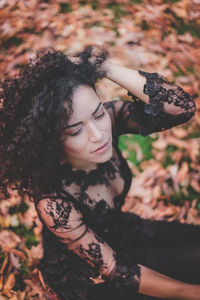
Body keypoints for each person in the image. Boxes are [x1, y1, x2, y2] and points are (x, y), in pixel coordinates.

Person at [1, 46, 200, 300]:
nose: (98, 135)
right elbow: (119, 272)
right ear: (52, 140)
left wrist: (105, 68)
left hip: (126, 232)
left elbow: (181, 108)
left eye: (97, 114)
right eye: (75, 131)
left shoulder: (111, 120)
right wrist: (193, 293)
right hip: (91, 278)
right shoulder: (54, 203)